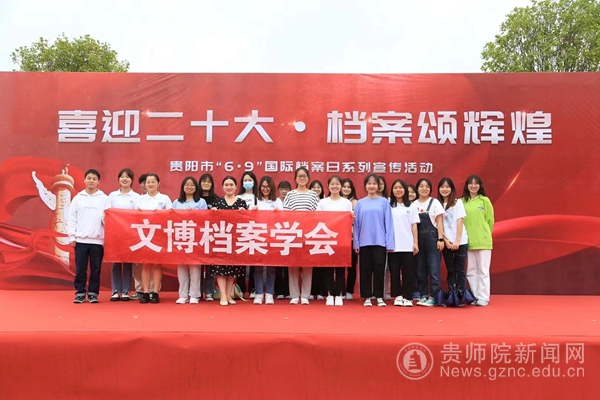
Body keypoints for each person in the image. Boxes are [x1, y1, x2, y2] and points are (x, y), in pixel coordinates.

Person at [68, 169, 111, 303]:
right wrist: (72, 236)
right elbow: (71, 218)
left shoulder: (104, 199)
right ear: (84, 180)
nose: (91, 181)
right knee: (80, 268)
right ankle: (80, 292)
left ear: (98, 182)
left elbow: (109, 219)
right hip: (81, 240)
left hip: (97, 241)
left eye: (94, 179)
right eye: (89, 178)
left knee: (95, 269)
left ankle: (93, 293)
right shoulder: (77, 198)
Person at [353, 174, 394, 307]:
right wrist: (356, 243)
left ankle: (379, 296)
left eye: (374, 184)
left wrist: (389, 243)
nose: (372, 186)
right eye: (369, 184)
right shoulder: (360, 203)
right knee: (365, 270)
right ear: (365, 186)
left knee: (379, 269)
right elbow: (356, 225)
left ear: (378, 186)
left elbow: (389, 223)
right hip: (364, 241)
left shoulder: (384, 202)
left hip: (380, 241)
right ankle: (366, 296)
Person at [283, 167, 320, 305]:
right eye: (299, 176)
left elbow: (317, 214)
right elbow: (285, 213)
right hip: (293, 233)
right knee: (292, 265)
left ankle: (305, 295)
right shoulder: (290, 194)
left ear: (308, 178)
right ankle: (294, 295)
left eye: (304, 176)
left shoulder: (313, 195)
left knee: (307, 265)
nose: (302, 178)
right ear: (295, 178)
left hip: (309, 233)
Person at [212, 176, 248, 306]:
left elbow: (247, 222)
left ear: (236, 186)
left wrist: (245, 213)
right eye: (226, 184)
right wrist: (212, 212)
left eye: (231, 184)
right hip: (221, 239)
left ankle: (228, 295)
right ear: (222, 187)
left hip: (235, 240)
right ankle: (222, 295)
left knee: (233, 269)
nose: (229, 187)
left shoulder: (241, 202)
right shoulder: (218, 202)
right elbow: (212, 221)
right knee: (221, 268)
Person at [136, 173, 172, 304]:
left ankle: (155, 292)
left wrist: (161, 213)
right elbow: (133, 216)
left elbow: (171, 214)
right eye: (148, 182)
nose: (150, 184)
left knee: (157, 265)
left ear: (158, 183)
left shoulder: (164, 198)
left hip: (159, 235)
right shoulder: (140, 199)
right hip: (144, 235)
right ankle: (145, 292)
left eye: (153, 182)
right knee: (146, 264)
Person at [317, 175, 353, 306]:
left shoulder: (346, 202)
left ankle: (339, 294)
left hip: (342, 239)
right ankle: (329, 294)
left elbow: (349, 221)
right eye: (332, 184)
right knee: (327, 269)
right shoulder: (322, 202)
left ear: (341, 186)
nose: (335, 186)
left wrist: (351, 218)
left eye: (337, 184)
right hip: (327, 239)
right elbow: (318, 219)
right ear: (328, 186)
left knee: (340, 268)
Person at [173, 177, 207, 304]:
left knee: (195, 268)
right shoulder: (176, 202)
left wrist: (195, 213)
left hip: (196, 238)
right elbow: (171, 217)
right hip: (181, 237)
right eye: (187, 185)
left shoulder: (201, 202)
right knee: (182, 267)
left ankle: (194, 295)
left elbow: (206, 218)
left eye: (192, 185)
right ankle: (183, 294)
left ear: (196, 187)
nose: (189, 187)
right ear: (182, 187)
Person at [107, 168, 140, 301]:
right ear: (118, 179)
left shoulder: (137, 197)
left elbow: (138, 215)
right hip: (114, 233)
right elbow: (107, 213)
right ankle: (115, 291)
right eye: (122, 177)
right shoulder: (112, 196)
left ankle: (126, 291)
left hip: (129, 234)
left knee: (127, 263)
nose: (124, 179)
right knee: (116, 262)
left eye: (127, 177)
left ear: (132, 180)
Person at [462, 174, 494, 307]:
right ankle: (474, 296)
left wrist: (484, 234)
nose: (473, 186)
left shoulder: (484, 200)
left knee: (483, 270)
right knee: (471, 271)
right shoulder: (462, 201)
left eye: (476, 183)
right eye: (471, 183)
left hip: (483, 241)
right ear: (467, 185)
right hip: (468, 241)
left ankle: (483, 297)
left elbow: (490, 221)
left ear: (480, 186)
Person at [414, 178, 445, 307]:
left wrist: (440, 239)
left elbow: (439, 222)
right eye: (421, 186)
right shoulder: (413, 204)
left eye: (427, 186)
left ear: (430, 189)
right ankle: (423, 295)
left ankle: (433, 296)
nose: (424, 189)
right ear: (417, 189)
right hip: (419, 240)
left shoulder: (435, 202)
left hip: (433, 238)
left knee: (434, 269)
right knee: (420, 269)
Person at [438, 178, 468, 306]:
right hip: (447, 242)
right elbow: (438, 224)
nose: (444, 189)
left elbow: (460, 221)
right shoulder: (437, 204)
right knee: (450, 269)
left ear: (452, 189)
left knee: (460, 269)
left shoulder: (457, 202)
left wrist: (457, 240)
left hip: (461, 241)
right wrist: (445, 240)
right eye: (442, 187)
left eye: (447, 187)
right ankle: (451, 294)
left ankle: (461, 296)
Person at [388, 179, 419, 307]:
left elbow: (414, 225)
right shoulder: (389, 205)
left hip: (407, 244)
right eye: (395, 188)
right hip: (393, 245)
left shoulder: (411, 206)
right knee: (394, 272)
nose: (398, 190)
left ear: (405, 190)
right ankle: (398, 296)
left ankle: (407, 297)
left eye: (400, 188)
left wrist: (415, 242)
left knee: (408, 273)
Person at [253, 176, 283, 305]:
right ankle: (259, 294)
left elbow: (284, 218)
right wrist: (252, 211)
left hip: (272, 238)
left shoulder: (277, 201)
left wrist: (279, 213)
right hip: (258, 237)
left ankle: (270, 293)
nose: (265, 189)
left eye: (268, 186)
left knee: (271, 268)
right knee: (258, 268)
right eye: (263, 186)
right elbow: (247, 219)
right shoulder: (255, 200)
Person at [237, 171, 259, 297]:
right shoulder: (238, 197)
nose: (247, 182)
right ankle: (240, 288)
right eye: (245, 180)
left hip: (255, 231)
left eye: (250, 180)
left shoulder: (258, 197)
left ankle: (252, 289)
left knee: (254, 263)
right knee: (241, 262)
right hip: (241, 231)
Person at [199, 173, 219, 301]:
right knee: (198, 266)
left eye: (209, 182)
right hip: (197, 235)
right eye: (204, 181)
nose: (206, 184)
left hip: (212, 235)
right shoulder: (196, 198)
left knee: (211, 265)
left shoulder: (217, 199)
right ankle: (199, 291)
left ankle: (209, 291)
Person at [131, 173, 149, 300]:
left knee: (151, 265)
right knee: (137, 265)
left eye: (147, 182)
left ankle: (152, 290)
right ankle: (139, 290)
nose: (145, 185)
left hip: (155, 236)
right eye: (142, 182)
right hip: (138, 235)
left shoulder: (162, 198)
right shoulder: (137, 199)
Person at [341, 178, 358, 299]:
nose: (346, 189)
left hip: (352, 237)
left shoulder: (356, 202)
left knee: (352, 266)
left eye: (348, 187)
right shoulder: (336, 201)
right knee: (340, 266)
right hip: (339, 238)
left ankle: (349, 291)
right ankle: (340, 290)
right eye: (344, 186)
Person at [274, 181, 292, 299]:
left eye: (286, 189)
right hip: (277, 235)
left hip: (290, 234)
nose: (284, 191)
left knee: (289, 265)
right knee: (278, 265)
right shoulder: (275, 201)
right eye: (282, 189)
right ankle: (279, 290)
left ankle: (288, 290)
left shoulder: (292, 200)